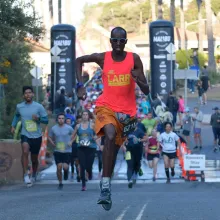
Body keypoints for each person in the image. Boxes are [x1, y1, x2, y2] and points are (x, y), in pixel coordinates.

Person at [76, 27, 149, 205]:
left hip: (126, 113)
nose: (117, 44)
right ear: (110, 41)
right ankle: (107, 185)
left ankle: (105, 185)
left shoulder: (134, 59)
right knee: (109, 135)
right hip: (105, 107)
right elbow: (79, 60)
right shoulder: (103, 58)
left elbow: (146, 90)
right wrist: (80, 85)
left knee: (114, 150)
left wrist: (137, 79)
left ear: (125, 42)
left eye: (121, 41)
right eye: (114, 40)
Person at [11, 86, 48, 185]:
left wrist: (38, 119)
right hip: (25, 134)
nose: (28, 94)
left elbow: (46, 120)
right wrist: (13, 125)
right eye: (26, 93)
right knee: (25, 151)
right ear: (23, 95)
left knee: (34, 158)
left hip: (36, 136)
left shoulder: (39, 107)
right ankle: (25, 175)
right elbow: (17, 115)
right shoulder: (20, 106)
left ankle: (34, 173)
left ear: (33, 94)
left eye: (29, 93)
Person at [72, 110, 97, 191]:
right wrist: (70, 141)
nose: (85, 116)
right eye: (83, 114)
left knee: (89, 165)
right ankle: (83, 184)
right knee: (82, 166)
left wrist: (96, 137)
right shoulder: (78, 126)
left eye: (86, 114)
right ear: (82, 116)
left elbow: (99, 133)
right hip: (81, 148)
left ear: (88, 116)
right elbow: (73, 135)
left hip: (91, 147)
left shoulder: (92, 125)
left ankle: (89, 172)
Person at [48, 113, 74, 189]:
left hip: (67, 151)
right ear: (57, 119)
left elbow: (75, 134)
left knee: (65, 167)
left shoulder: (69, 128)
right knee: (59, 167)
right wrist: (52, 143)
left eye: (62, 118)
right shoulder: (53, 128)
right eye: (59, 118)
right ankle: (60, 182)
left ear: (65, 119)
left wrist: (71, 141)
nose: (61, 120)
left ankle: (66, 172)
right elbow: (49, 136)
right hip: (57, 150)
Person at [124, 124, 147, 188]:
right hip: (129, 151)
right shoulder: (127, 131)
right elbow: (123, 139)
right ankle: (129, 181)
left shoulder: (139, 131)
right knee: (130, 165)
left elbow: (146, 139)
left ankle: (135, 175)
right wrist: (125, 143)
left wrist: (139, 140)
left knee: (137, 164)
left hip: (138, 151)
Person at [66, 116, 81, 181]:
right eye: (78, 121)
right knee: (73, 162)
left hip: (82, 146)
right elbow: (73, 135)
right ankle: (72, 173)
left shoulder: (87, 126)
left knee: (79, 162)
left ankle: (79, 174)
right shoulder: (74, 128)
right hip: (74, 146)